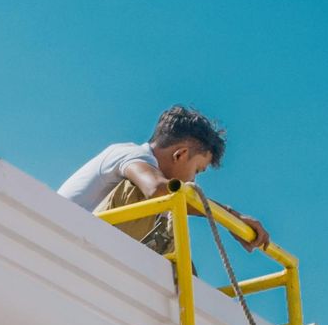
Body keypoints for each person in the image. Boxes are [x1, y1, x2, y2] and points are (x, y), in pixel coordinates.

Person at [57, 105, 269, 257]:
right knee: (166, 198)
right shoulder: (131, 154)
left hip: (84, 246)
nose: (194, 179)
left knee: (172, 225)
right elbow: (157, 189)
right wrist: (229, 216)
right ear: (180, 154)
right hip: (66, 243)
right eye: (196, 170)